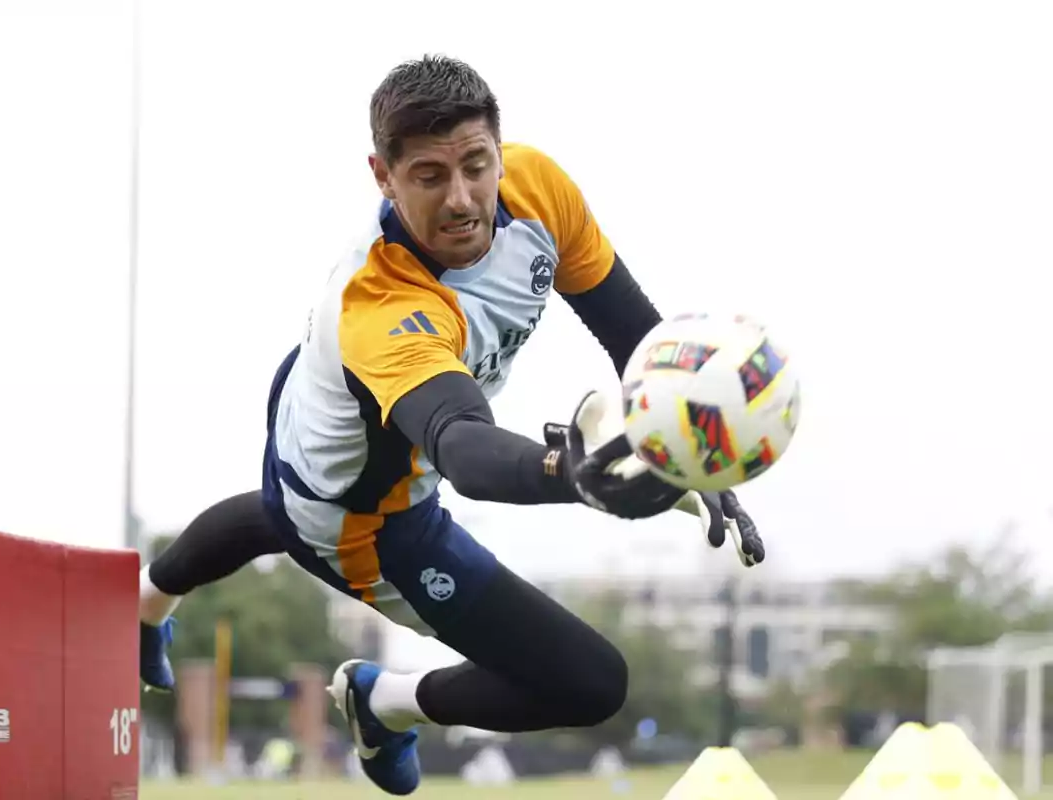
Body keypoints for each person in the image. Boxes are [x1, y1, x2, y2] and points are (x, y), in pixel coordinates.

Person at [137, 54, 766, 796]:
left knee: (273, 507)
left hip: (317, 405)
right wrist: (575, 476)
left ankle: (143, 603)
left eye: (477, 164)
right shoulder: (383, 306)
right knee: (591, 682)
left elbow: (635, 336)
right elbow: (463, 448)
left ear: (500, 149)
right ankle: (382, 701)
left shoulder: (538, 189)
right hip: (360, 515)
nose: (464, 198)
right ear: (383, 175)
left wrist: (686, 438)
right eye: (431, 177)